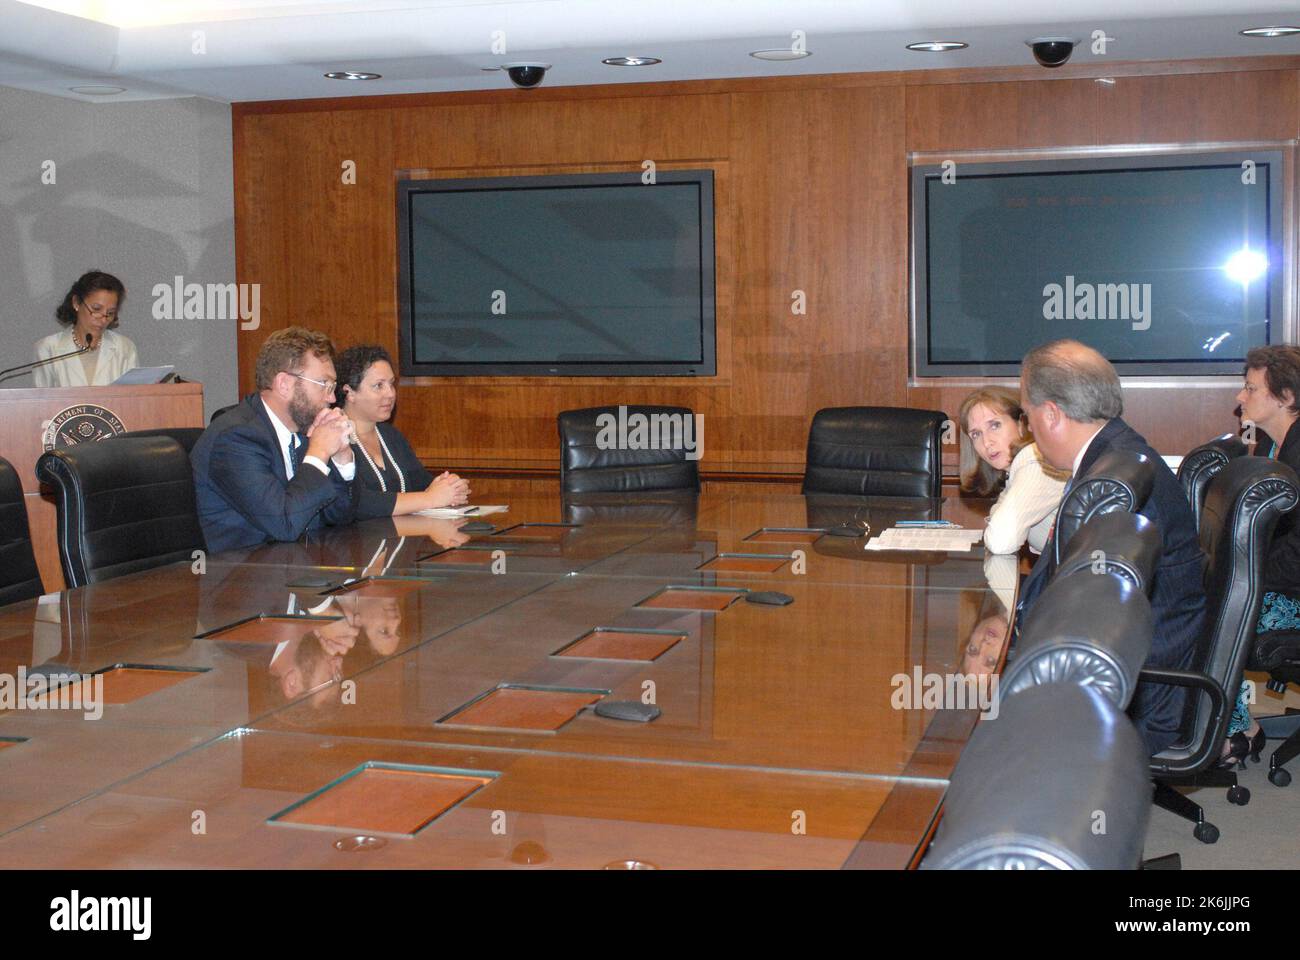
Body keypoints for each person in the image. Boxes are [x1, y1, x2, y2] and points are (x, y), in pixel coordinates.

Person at [1016, 339, 1205, 755]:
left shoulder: (1113, 487)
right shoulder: (1117, 456)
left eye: (1027, 416)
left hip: (1139, 692)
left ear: (1051, 414)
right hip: (1141, 665)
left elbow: (1082, 617)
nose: (1028, 429)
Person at [191, 327, 358, 553]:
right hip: (240, 578)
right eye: (324, 385)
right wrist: (318, 453)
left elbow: (338, 517)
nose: (331, 398)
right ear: (284, 384)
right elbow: (285, 525)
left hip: (292, 569)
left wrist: (342, 459)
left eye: (333, 387)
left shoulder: (302, 431)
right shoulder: (235, 439)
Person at [1220, 345, 1300, 765]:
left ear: (1285, 397)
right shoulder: (1269, 444)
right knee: (1216, 598)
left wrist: (1246, 577)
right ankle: (1234, 727)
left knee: (1223, 612)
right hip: (1282, 584)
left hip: (1293, 592)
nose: (1240, 397)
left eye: (1251, 388)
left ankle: (1234, 733)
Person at [334, 345, 470, 519]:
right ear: (349, 392)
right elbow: (357, 502)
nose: (390, 394)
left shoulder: (391, 436)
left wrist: (449, 486)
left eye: (391, 384)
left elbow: (422, 483)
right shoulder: (334, 438)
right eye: (378, 386)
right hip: (355, 544)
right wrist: (430, 499)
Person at [958, 386, 1068, 555]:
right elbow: (998, 515)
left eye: (995, 425)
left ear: (1021, 424)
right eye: (976, 434)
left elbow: (1000, 541)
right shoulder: (1019, 467)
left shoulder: (1035, 460)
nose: (987, 442)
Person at [33, 271, 139, 387]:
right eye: (96, 309)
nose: (103, 320)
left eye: (110, 313)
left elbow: (133, 400)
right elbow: (41, 402)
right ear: (76, 303)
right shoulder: (48, 349)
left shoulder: (124, 348)